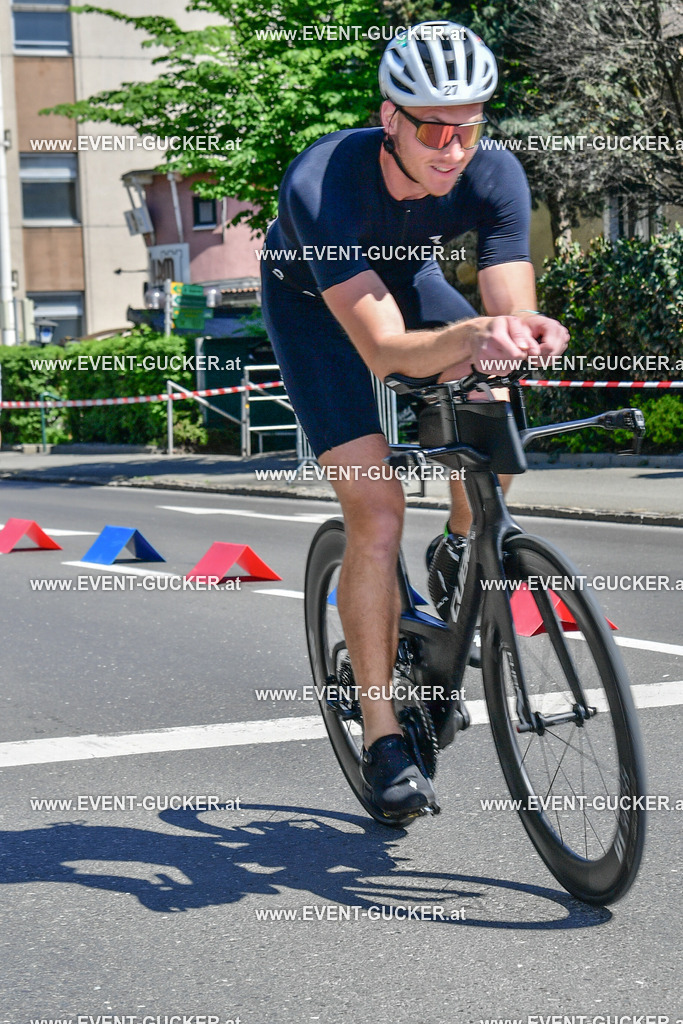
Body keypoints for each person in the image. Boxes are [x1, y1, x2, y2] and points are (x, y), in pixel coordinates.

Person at [260, 21, 569, 817]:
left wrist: (518, 333)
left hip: (407, 283)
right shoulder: (323, 181)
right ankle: (382, 735)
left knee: (493, 408)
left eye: (468, 125)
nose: (452, 146)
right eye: (433, 126)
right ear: (388, 118)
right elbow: (388, 353)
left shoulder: (494, 174)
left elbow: (505, 303)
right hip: (320, 313)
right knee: (376, 509)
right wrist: (470, 334)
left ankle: (460, 546)